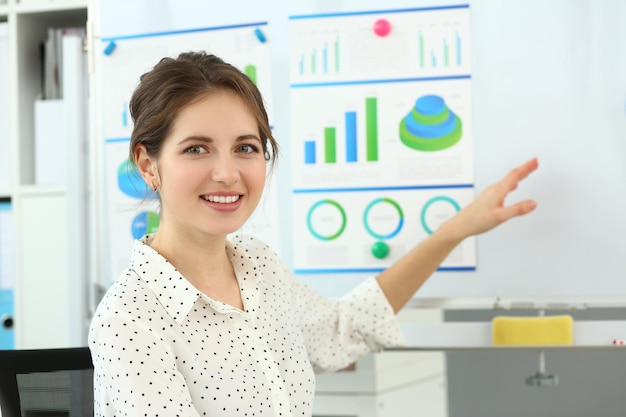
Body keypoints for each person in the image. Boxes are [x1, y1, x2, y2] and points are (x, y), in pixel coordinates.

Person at [88, 51, 539, 417]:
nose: (227, 173)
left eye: (245, 148)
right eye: (197, 149)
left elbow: (345, 328)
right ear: (148, 165)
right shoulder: (129, 320)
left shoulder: (256, 265)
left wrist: (455, 231)